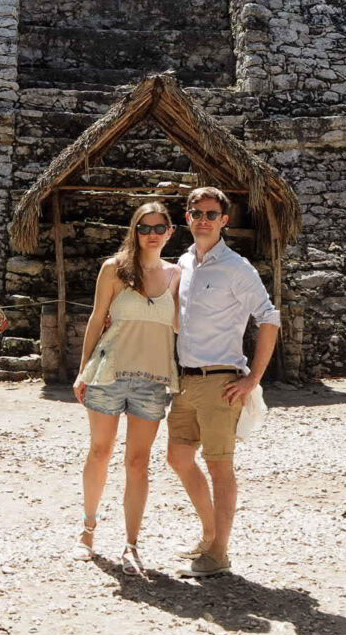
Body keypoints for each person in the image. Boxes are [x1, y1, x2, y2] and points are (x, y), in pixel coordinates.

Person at [167, 186, 280, 577]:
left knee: (220, 468)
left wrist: (253, 381)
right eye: (196, 213)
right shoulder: (183, 263)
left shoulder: (237, 268)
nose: (203, 220)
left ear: (224, 221)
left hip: (220, 382)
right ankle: (209, 533)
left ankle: (219, 553)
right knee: (178, 458)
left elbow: (269, 318)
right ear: (187, 218)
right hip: (185, 381)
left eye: (211, 214)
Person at [71, 200, 180, 577]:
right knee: (99, 452)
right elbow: (97, 318)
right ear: (134, 231)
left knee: (137, 463)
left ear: (169, 232)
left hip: (153, 380)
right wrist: (82, 370)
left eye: (158, 228)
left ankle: (132, 542)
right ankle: (87, 532)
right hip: (108, 372)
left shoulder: (178, 275)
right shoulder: (114, 269)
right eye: (143, 227)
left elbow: (183, 326)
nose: (151, 234)